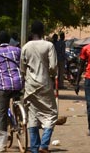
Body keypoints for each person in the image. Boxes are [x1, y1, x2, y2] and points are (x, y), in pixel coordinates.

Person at [20, 21, 58, 153]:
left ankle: (35, 148)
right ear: (43, 31)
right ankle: (44, 144)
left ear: (32, 32)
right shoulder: (49, 45)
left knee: (32, 115)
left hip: (30, 84)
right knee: (51, 114)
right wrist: (52, 74)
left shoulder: (25, 47)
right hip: (45, 83)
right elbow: (53, 67)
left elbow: (22, 68)